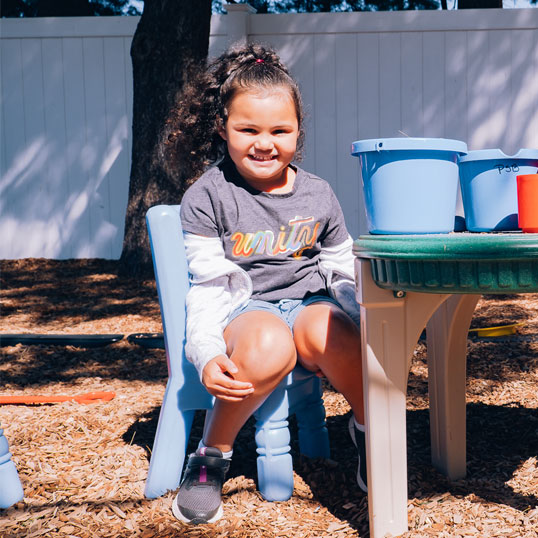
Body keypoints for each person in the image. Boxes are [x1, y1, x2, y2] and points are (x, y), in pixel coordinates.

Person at [161, 43, 366, 525]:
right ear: (222, 129)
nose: (264, 142)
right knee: (271, 344)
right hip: (246, 310)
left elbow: (342, 269)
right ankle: (211, 455)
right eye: (247, 129)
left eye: (280, 130)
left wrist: (365, 322)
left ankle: (369, 432)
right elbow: (210, 285)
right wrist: (208, 353)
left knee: (336, 333)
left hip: (311, 302)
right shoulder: (209, 195)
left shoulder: (318, 192)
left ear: (298, 131)